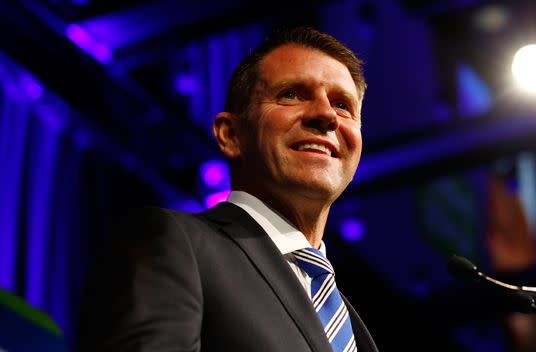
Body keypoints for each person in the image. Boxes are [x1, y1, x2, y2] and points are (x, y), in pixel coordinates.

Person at [75, 27, 378, 352]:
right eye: (291, 94)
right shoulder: (174, 243)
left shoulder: (352, 321)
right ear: (230, 135)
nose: (326, 115)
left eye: (342, 104)